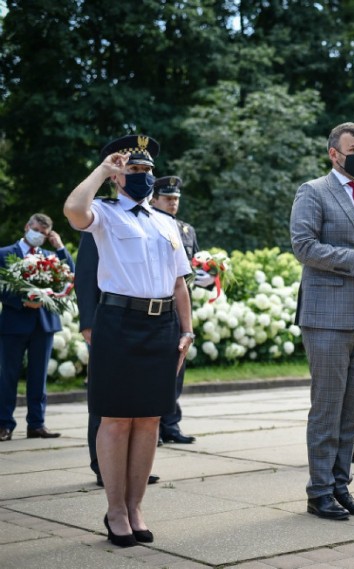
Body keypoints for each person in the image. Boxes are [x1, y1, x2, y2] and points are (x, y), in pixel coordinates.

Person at [64, 134, 193, 547]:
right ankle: (115, 510)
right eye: (134, 170)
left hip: (162, 327)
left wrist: (186, 330)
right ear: (119, 177)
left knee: (150, 419)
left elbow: (178, 283)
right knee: (117, 420)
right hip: (119, 322)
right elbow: (72, 210)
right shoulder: (103, 212)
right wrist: (103, 171)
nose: (143, 177)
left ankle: (136, 507)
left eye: (147, 171)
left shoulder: (166, 222)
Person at [289, 122, 354, 520]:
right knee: (328, 408)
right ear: (334, 153)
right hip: (328, 316)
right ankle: (319, 492)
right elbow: (303, 245)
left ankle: (341, 485)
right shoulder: (314, 191)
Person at [75, 232, 160, 487]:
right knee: (108, 399)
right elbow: (87, 272)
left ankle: (133, 469)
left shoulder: (151, 221)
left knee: (139, 402)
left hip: (146, 324)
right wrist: (88, 322)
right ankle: (103, 466)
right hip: (109, 322)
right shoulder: (103, 217)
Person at [0, 214, 74, 442]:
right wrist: (22, 301)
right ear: (27, 226)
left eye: (44, 233)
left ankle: (36, 424)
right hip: (14, 324)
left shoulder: (50, 256)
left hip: (43, 324)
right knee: (7, 376)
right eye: (36, 230)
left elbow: (71, 275)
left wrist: (60, 247)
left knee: (38, 377)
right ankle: (4, 424)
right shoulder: (4, 254)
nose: (39, 235)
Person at [149, 176, 201, 445]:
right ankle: (152, 427)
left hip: (180, 306)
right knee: (153, 373)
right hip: (155, 306)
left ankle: (170, 424)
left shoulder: (185, 230)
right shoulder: (147, 224)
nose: (173, 203)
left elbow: (194, 265)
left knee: (176, 371)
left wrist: (208, 275)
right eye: (168, 198)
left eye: (176, 199)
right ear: (154, 198)